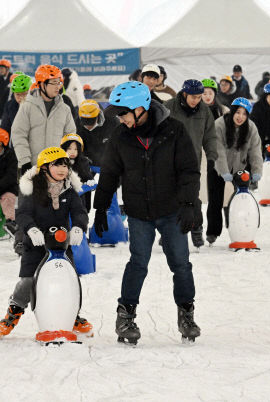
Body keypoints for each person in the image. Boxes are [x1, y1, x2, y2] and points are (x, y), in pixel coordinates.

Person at [94, 81, 201, 344]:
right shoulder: (121, 136)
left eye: (123, 113)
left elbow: (189, 170)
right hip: (139, 211)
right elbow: (109, 173)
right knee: (138, 263)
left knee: (181, 265)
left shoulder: (174, 131)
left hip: (171, 209)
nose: (120, 119)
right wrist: (100, 208)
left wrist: (189, 205)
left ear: (140, 108)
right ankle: (125, 316)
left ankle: (186, 313)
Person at [0, 146, 90, 338]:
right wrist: (31, 229)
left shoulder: (69, 191)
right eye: (57, 165)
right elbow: (22, 213)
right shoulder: (32, 189)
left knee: (69, 279)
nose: (63, 169)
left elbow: (79, 212)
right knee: (28, 280)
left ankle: (72, 315)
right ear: (45, 168)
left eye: (65, 165)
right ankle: (14, 310)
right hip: (36, 245)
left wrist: (79, 226)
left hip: (61, 245)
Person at [165, 79, 218, 247]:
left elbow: (210, 136)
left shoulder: (204, 111)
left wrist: (212, 157)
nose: (196, 100)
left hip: (192, 161)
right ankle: (168, 231)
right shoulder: (169, 106)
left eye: (199, 97)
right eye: (193, 97)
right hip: (168, 160)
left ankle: (196, 229)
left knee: (192, 196)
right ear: (185, 93)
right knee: (169, 196)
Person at [208, 98, 262, 244]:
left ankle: (241, 227)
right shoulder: (219, 124)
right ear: (232, 111)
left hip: (239, 167)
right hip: (217, 166)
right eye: (238, 112)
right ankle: (213, 231)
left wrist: (257, 170)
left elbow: (255, 150)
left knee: (240, 199)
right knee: (215, 200)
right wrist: (223, 171)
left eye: (245, 114)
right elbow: (217, 149)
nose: (240, 117)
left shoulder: (251, 128)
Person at [11, 64, 76, 174]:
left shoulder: (65, 109)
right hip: (32, 168)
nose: (57, 86)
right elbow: (18, 134)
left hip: (57, 169)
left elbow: (70, 137)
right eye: (53, 83)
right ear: (41, 84)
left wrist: (67, 160)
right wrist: (25, 161)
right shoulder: (27, 106)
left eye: (59, 82)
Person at [60, 133, 94, 209]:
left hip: (81, 198)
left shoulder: (83, 162)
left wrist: (90, 180)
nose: (73, 152)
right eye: (69, 148)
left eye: (76, 149)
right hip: (63, 198)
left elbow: (87, 175)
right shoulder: (58, 162)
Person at [76, 99, 114, 166]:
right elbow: (75, 145)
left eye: (91, 121)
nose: (88, 127)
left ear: (98, 115)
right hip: (87, 164)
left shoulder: (112, 122)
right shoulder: (76, 124)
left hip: (108, 164)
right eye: (85, 122)